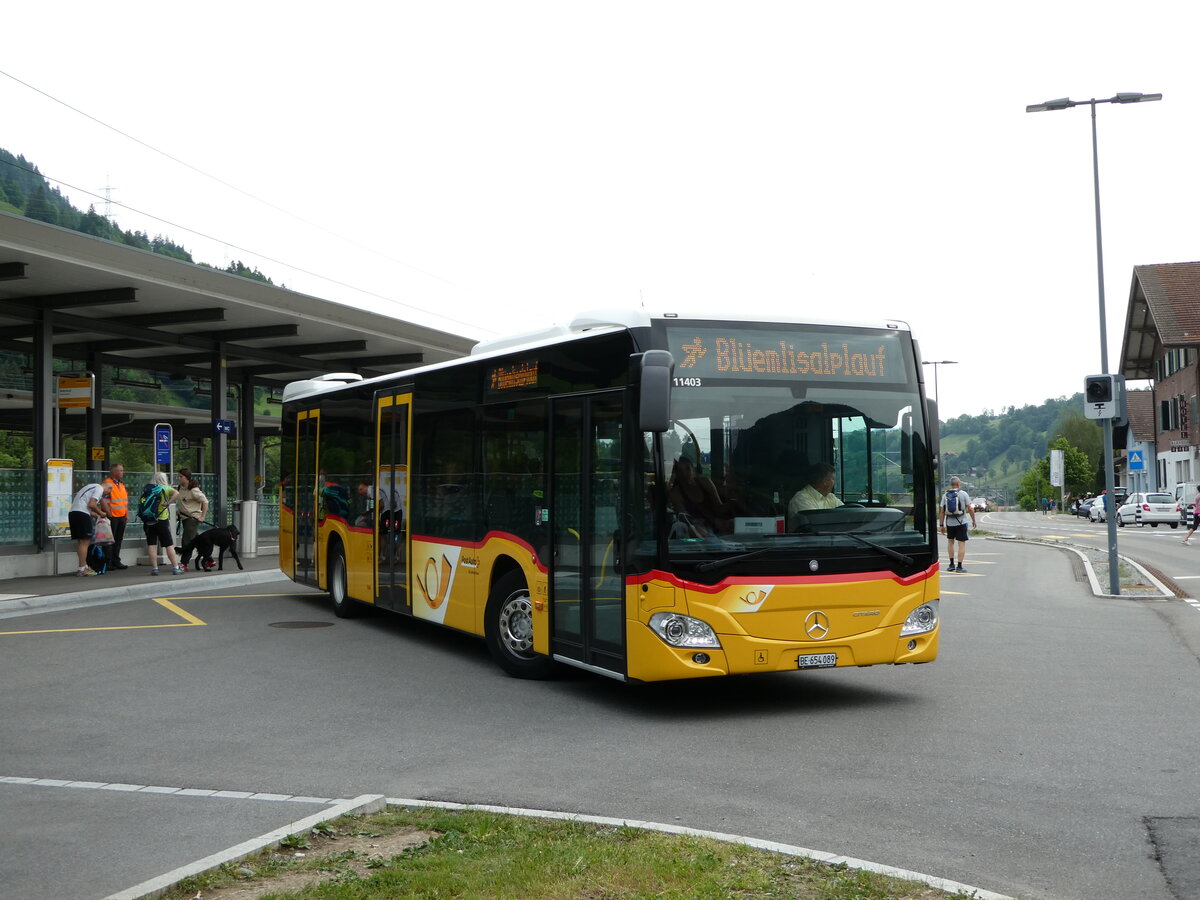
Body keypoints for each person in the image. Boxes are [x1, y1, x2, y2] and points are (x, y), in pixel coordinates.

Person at [667, 457, 729, 534]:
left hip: (717, 525)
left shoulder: (706, 482)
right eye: (680, 471)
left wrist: (734, 503)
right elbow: (684, 516)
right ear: (677, 474)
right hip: (696, 530)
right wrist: (697, 522)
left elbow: (719, 506)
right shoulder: (676, 493)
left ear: (693, 469)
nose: (685, 473)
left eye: (687, 468)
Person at [143, 471, 183, 575]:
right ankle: (175, 567)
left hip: (149, 520)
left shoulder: (148, 488)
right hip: (162, 520)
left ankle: (155, 569)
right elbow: (177, 493)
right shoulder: (165, 488)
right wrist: (168, 502)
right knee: (168, 544)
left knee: (152, 544)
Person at [69, 481, 110, 576]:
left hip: (73, 513)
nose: (105, 495)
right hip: (82, 515)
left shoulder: (90, 486)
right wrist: (101, 513)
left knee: (80, 542)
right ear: (108, 488)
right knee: (85, 542)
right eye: (107, 493)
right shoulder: (99, 488)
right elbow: (91, 504)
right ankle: (82, 569)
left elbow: (83, 505)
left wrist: (95, 515)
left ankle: (83, 566)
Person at [939, 475, 977, 573]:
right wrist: (973, 520)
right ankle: (959, 566)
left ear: (951, 485)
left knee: (950, 543)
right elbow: (970, 508)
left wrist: (941, 525)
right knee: (961, 544)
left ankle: (951, 565)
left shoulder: (945, 495)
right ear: (958, 484)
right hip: (961, 523)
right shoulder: (963, 494)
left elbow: (942, 511)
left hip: (949, 523)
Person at [175, 468, 209, 570]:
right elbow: (184, 503)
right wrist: (180, 510)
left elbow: (205, 502)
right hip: (185, 518)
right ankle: (209, 559)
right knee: (198, 541)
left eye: (181, 477)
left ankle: (184, 563)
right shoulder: (180, 487)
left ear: (187, 478)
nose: (179, 478)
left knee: (187, 541)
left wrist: (202, 516)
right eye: (179, 476)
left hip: (192, 519)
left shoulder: (194, 490)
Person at [101, 463, 130, 570]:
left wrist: (126, 514)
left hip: (121, 516)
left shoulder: (121, 484)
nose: (123, 472)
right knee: (109, 540)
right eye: (120, 470)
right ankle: (107, 562)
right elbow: (103, 499)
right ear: (114, 472)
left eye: (122, 470)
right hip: (112, 516)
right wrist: (109, 514)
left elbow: (124, 501)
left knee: (118, 539)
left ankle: (116, 560)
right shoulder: (107, 483)